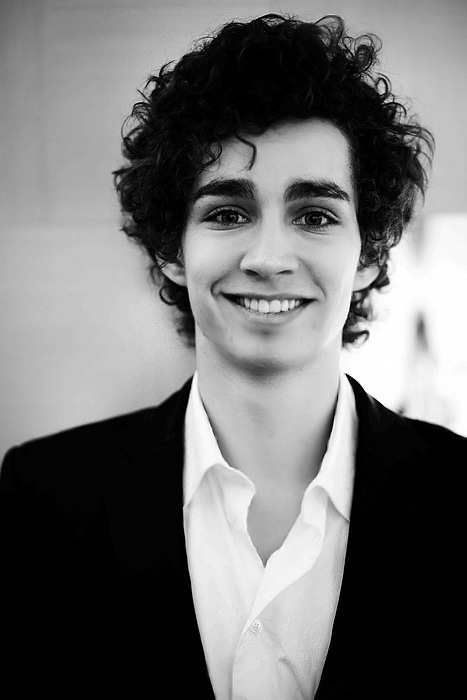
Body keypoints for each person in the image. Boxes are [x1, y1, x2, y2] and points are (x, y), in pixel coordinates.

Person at [1, 13, 465, 700]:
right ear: (171, 248)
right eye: (226, 213)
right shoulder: (45, 498)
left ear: (368, 253)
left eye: (314, 216)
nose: (269, 258)